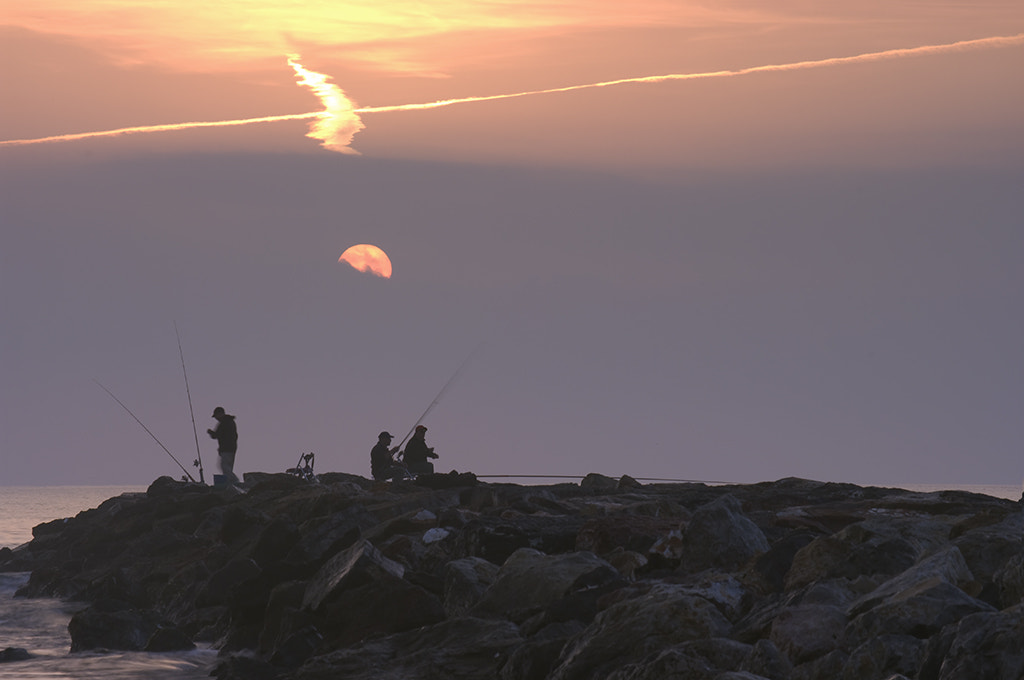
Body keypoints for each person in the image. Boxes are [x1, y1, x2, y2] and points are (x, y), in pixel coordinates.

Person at [207, 406, 239, 485]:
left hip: (227, 449)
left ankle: (235, 482)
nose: (216, 418)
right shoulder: (229, 421)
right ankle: (231, 484)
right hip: (231, 448)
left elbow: (217, 435)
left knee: (224, 467)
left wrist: (210, 432)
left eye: (216, 416)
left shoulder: (224, 423)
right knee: (227, 467)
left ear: (220, 414)